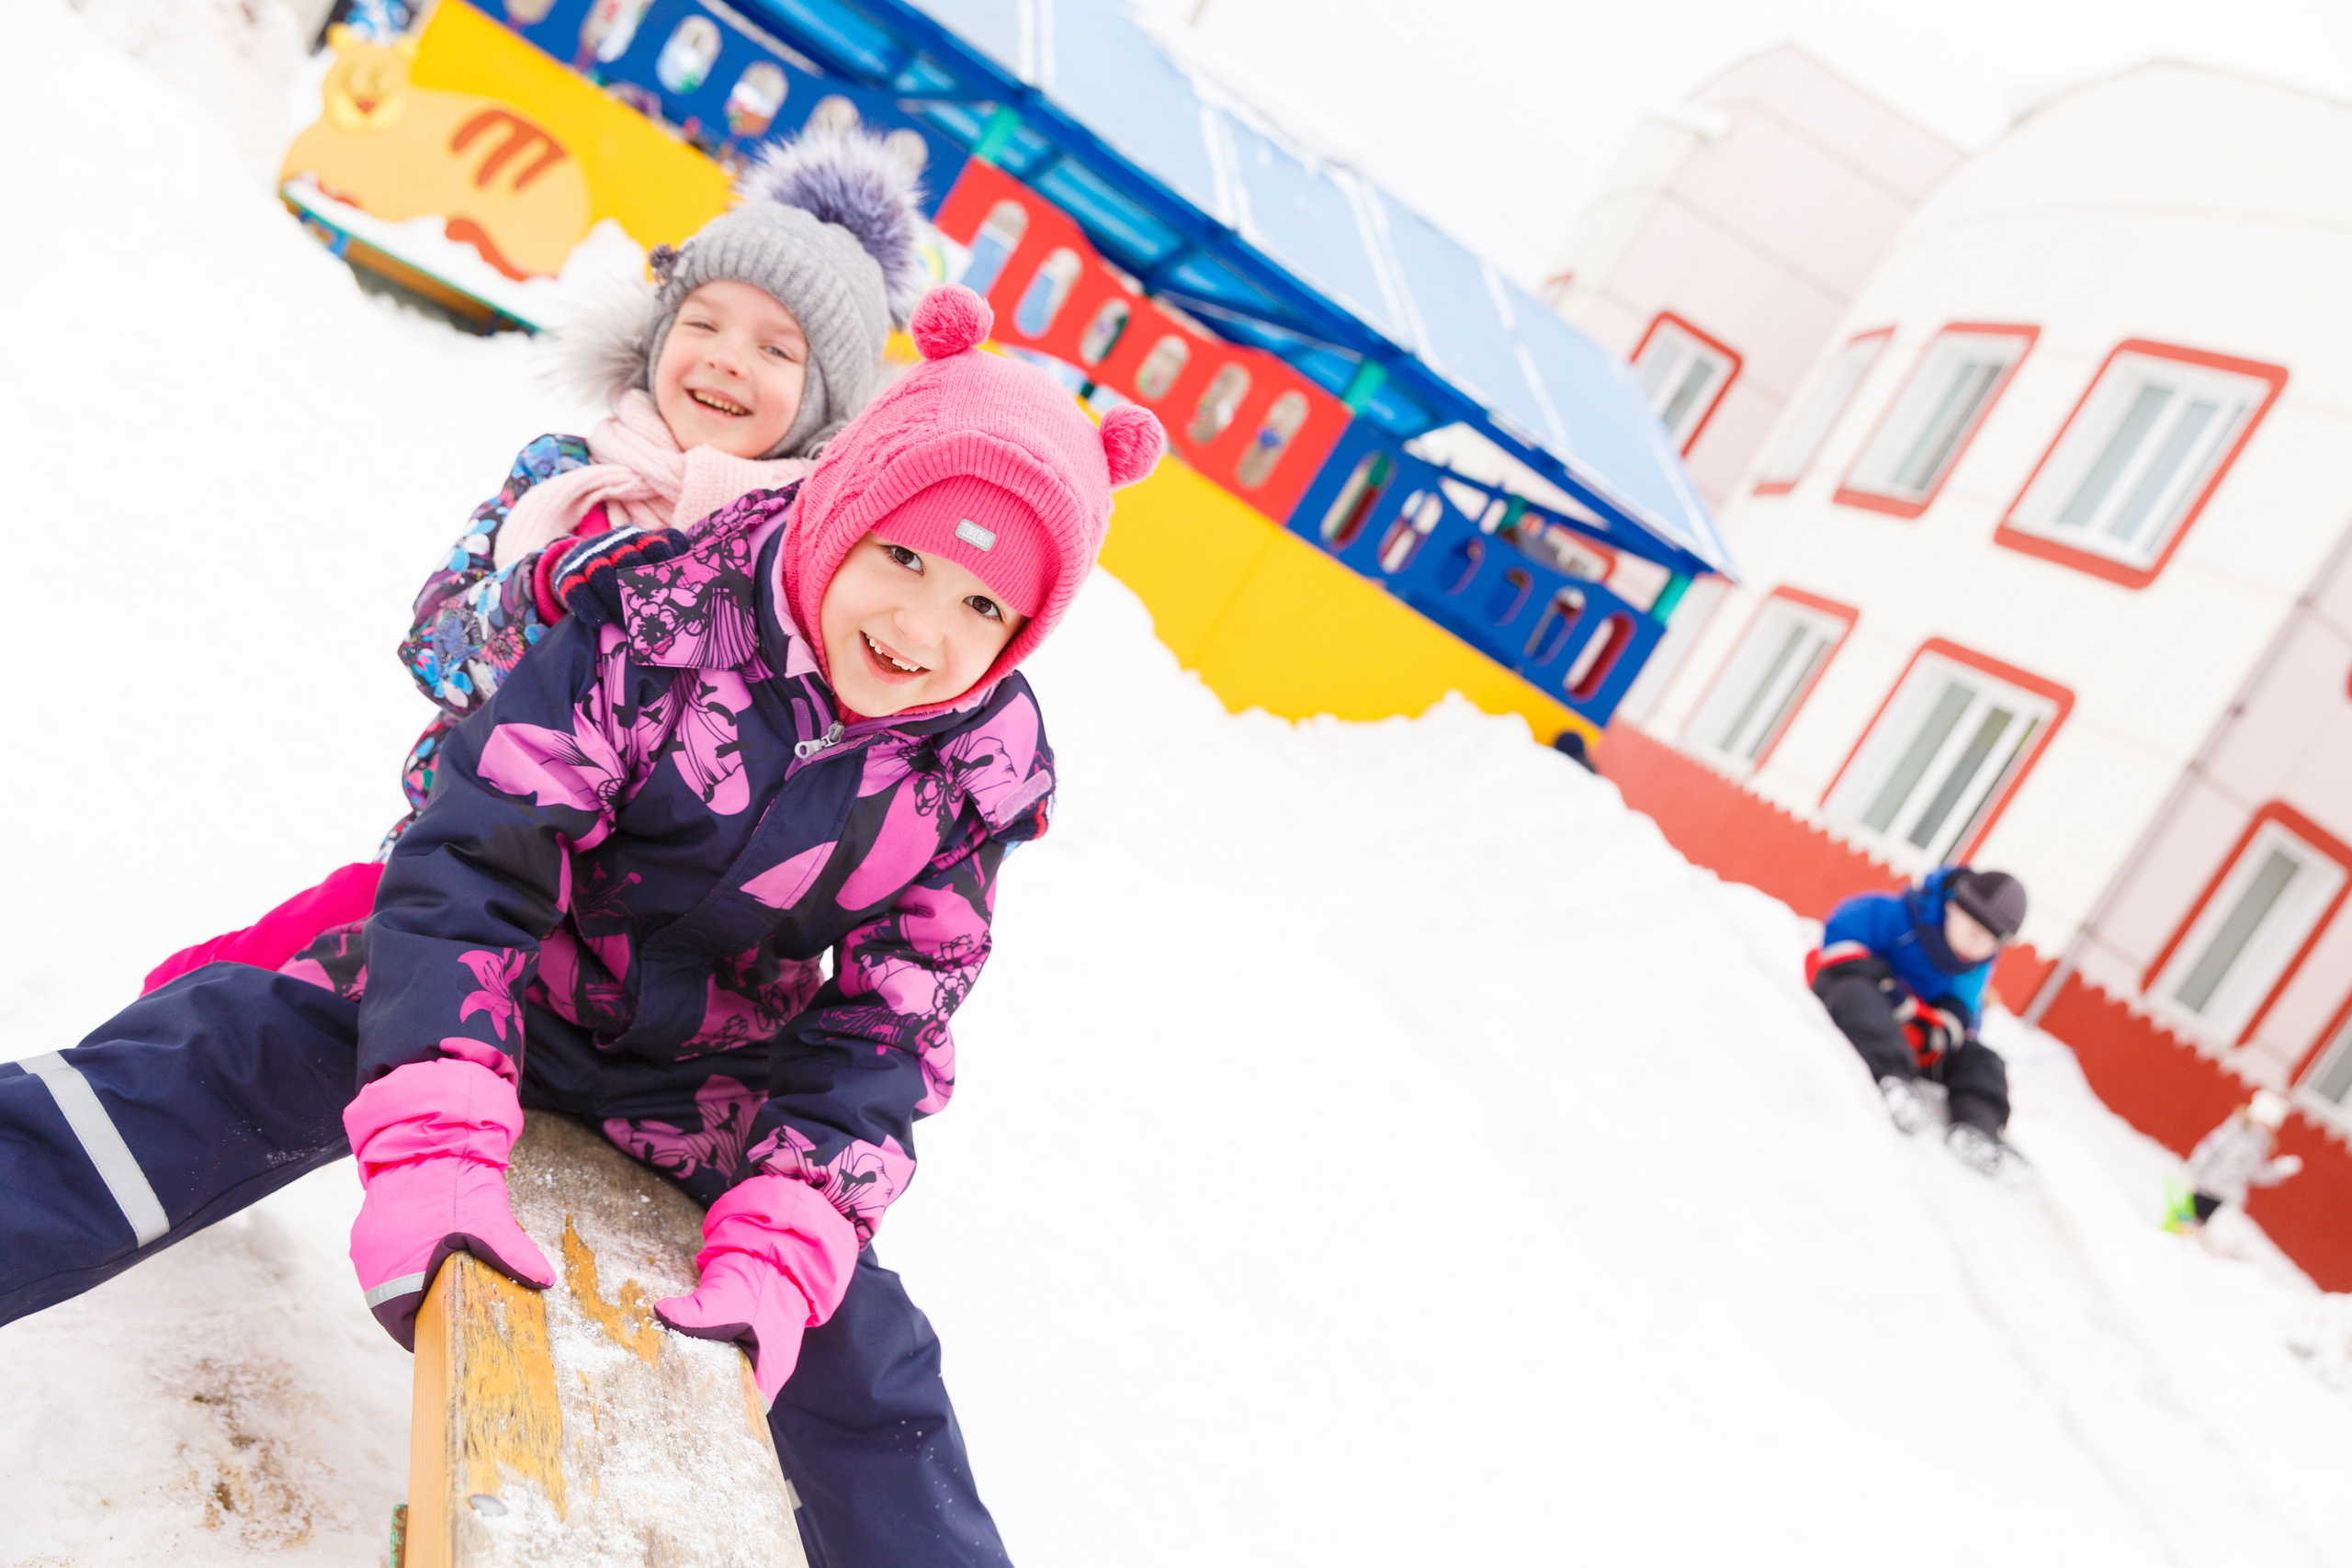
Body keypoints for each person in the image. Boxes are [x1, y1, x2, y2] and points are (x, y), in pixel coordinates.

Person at [0, 284, 1166, 1568]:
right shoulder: (665, 611)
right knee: (230, 1043)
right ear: (845, 503)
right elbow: (482, 848)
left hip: (705, 1080)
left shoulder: (972, 767)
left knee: (870, 1358)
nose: (919, 629)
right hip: (521, 987)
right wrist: (440, 1106)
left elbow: (891, 1022)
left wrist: (788, 1227)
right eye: (903, 557)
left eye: (983, 608)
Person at [141, 121, 928, 989]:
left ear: (827, 404)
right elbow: (438, 654)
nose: (726, 357)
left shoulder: (802, 562)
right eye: (702, 320)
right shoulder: (566, 476)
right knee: (226, 989)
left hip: (634, 956)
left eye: (776, 348)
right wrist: (542, 591)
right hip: (460, 861)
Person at [1806, 866, 2030, 1179]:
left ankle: (1977, 1128)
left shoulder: (1975, 967)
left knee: (1982, 1058)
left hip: (1916, 1037)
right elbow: (1842, 937)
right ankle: (1893, 1080)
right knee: (1854, 993)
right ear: (1952, 907)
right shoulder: (1897, 916)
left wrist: (1942, 1030)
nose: (1976, 946)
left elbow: (1966, 1011)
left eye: (1989, 942)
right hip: (1863, 1007)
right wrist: (1885, 986)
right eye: (1973, 931)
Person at [2164, 1089, 2303, 1234]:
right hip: (2206, 1183)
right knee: (2187, 1214)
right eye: (2265, 1121)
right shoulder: (2233, 1132)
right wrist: (2194, 1169)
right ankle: (2170, 1234)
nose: (2266, 1127)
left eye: (2271, 1124)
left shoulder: (2261, 1148)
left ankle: (2184, 1237)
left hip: (2224, 1193)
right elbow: (2209, 1149)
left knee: (2198, 1222)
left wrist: (2279, 1170)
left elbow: (2256, 1174)